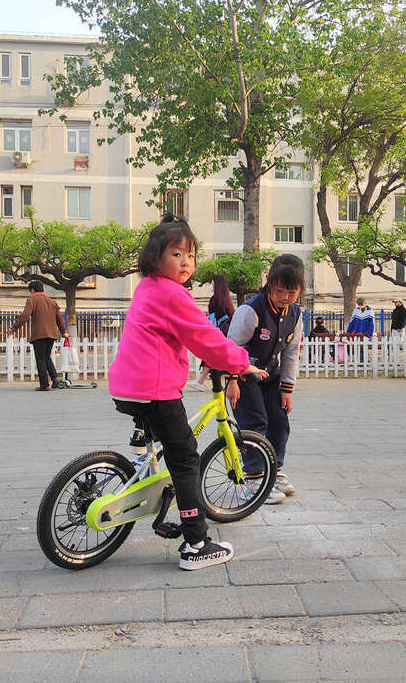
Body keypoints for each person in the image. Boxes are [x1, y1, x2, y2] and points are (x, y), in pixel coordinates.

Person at [108, 214, 266, 570]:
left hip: (127, 386)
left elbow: (181, 336)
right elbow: (205, 338)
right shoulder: (170, 294)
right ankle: (195, 542)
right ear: (155, 257)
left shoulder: (146, 287)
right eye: (176, 254)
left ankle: (149, 486)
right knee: (186, 459)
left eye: (191, 256)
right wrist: (243, 364)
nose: (185, 263)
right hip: (154, 389)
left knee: (167, 447)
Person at [226, 254, 304, 505]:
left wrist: (287, 389)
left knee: (280, 422)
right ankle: (254, 479)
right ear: (269, 282)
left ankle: (274, 470)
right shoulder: (251, 310)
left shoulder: (295, 314)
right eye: (280, 290)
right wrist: (232, 381)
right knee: (255, 422)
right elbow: (231, 347)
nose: (285, 297)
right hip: (244, 372)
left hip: (271, 373)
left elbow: (292, 353)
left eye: (292, 292)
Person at [6, 281, 69, 390]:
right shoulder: (52, 302)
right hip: (52, 334)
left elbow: (25, 316)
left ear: (33, 290)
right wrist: (64, 331)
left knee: (40, 359)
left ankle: (44, 385)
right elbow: (59, 318)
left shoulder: (31, 300)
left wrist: (13, 328)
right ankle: (55, 380)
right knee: (47, 357)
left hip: (39, 334)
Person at [187, 274, 234, 392]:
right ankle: (201, 381)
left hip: (217, 331)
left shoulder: (216, 299)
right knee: (214, 356)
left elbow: (214, 318)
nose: (210, 285)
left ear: (217, 284)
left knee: (212, 355)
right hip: (224, 331)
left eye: (212, 283)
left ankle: (200, 381)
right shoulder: (225, 299)